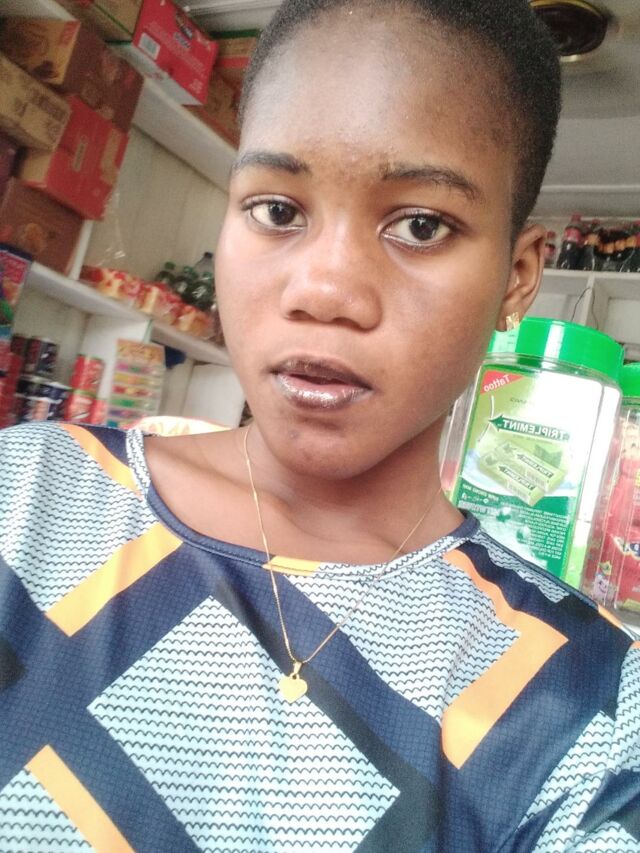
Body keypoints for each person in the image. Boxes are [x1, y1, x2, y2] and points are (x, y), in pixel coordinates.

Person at [0, 0, 638, 850]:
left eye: (420, 225)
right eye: (277, 210)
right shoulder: (24, 496)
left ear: (517, 279)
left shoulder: (584, 701)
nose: (323, 290)